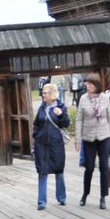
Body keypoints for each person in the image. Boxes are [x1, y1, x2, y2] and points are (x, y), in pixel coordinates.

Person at [76, 74, 110, 209]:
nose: (88, 86)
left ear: (96, 85)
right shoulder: (83, 99)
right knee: (89, 167)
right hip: (88, 138)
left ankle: (103, 197)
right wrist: (78, 140)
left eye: (90, 84)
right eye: (86, 84)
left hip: (104, 137)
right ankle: (85, 193)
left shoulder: (105, 98)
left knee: (104, 167)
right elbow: (79, 119)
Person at [32, 82, 70, 210]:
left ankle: (62, 198)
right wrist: (35, 137)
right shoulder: (42, 108)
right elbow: (36, 123)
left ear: (52, 94)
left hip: (56, 145)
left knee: (59, 170)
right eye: (42, 93)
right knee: (42, 172)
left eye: (45, 93)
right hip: (41, 145)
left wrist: (61, 114)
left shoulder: (61, 107)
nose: (43, 95)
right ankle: (41, 202)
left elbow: (66, 123)